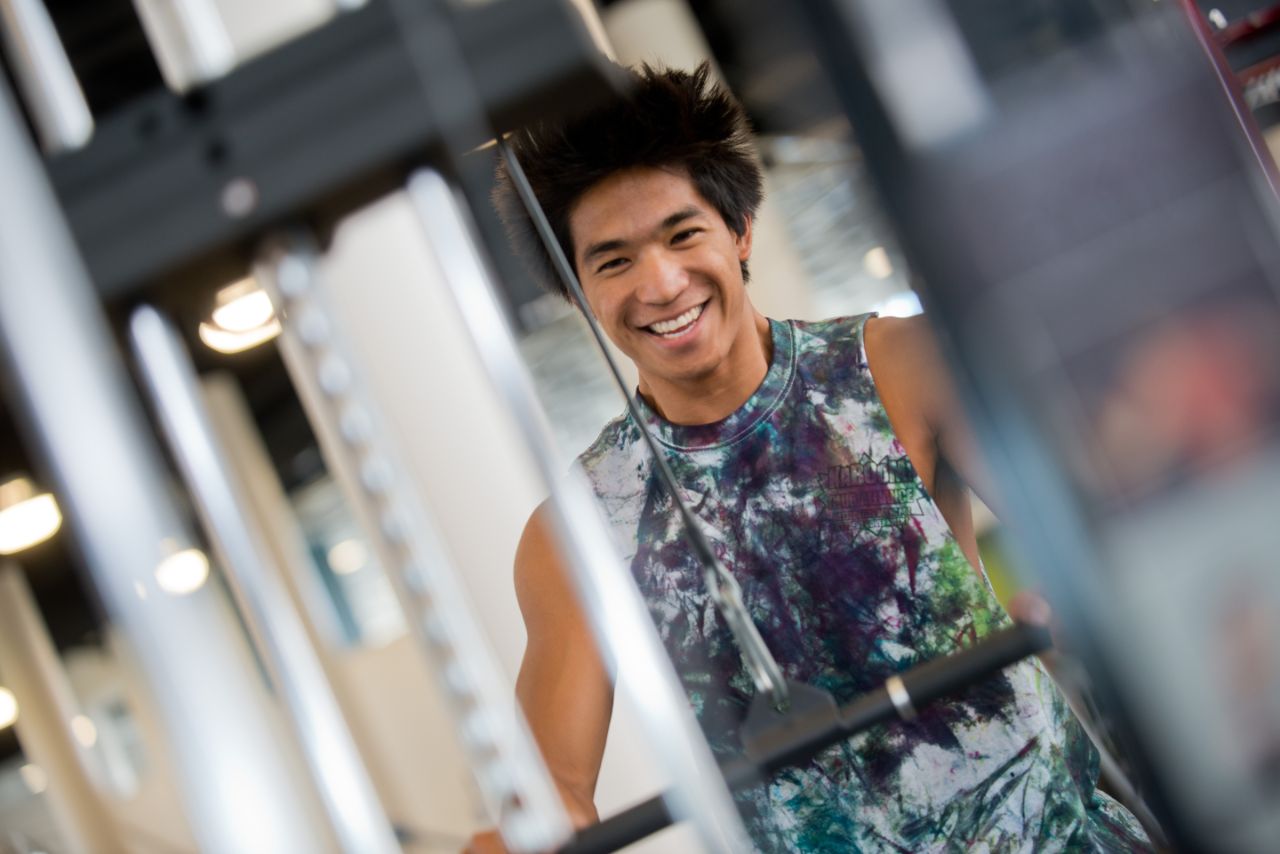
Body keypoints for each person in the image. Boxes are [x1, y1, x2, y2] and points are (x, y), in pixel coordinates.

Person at [470, 63, 1153, 852]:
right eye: (613, 261)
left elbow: (1090, 529)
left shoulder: (898, 365)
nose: (660, 284)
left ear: (740, 230)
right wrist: (522, 831)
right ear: (579, 292)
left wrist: (1072, 591)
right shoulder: (579, 529)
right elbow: (554, 785)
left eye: (682, 234)